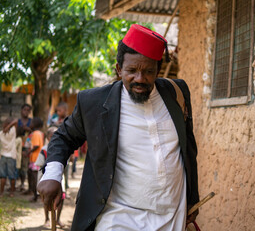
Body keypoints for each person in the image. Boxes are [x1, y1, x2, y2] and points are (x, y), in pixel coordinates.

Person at [38, 24, 199, 231]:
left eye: (148, 71)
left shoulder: (177, 93)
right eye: (131, 71)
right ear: (118, 69)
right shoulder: (94, 102)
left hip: (171, 218)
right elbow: (64, 137)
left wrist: (192, 198)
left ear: (158, 71)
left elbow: (188, 149)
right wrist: (52, 174)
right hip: (118, 218)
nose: (140, 79)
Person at [35, 126, 65, 228]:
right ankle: (47, 219)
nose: (54, 138)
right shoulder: (44, 150)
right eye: (52, 136)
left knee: (61, 198)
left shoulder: (62, 149)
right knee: (47, 199)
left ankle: (58, 219)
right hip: (46, 179)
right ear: (47, 137)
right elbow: (40, 165)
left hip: (60, 178)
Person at [25, 117, 44, 202]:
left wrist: (28, 153)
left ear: (35, 124)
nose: (30, 124)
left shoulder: (36, 133)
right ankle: (36, 194)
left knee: (34, 177)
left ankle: (35, 195)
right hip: (36, 158)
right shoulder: (39, 133)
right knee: (34, 176)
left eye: (31, 122)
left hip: (35, 159)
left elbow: (36, 146)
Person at [0, 117, 18, 197]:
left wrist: (6, 127)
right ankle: (12, 192)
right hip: (11, 156)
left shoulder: (0, 134)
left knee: (3, 176)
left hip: (3, 155)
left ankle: (1, 192)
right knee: (12, 176)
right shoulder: (13, 131)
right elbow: (16, 120)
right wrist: (10, 125)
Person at [18, 104, 32, 191]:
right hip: (19, 145)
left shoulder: (31, 121)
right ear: (21, 110)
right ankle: (19, 182)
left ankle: (24, 184)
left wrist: (29, 129)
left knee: (26, 165)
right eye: (24, 110)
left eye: (28, 110)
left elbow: (33, 132)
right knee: (18, 165)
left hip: (28, 146)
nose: (26, 112)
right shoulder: (18, 121)